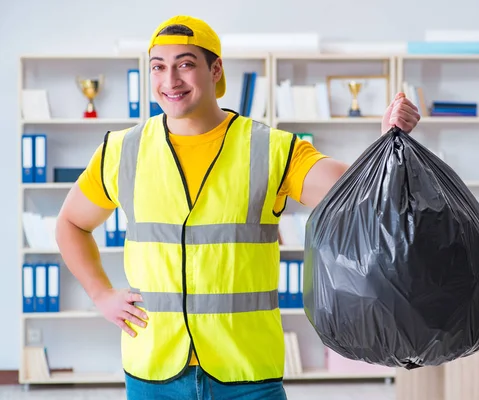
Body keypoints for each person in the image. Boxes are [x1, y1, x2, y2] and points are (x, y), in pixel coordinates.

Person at [55, 14, 421, 400]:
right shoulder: (122, 150)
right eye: (158, 67)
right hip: (152, 373)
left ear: (215, 70)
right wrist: (100, 294)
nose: (170, 80)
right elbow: (70, 224)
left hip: (246, 375)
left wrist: (388, 142)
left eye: (185, 64)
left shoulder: (271, 148)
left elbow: (359, 193)